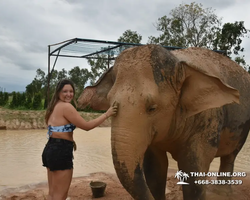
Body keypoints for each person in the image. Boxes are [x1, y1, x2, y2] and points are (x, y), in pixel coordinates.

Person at [42, 79, 118, 200]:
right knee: (60, 196)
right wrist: (107, 114)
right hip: (60, 152)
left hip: (50, 150)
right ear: (58, 93)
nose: (69, 94)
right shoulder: (66, 107)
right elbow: (86, 126)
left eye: (71, 91)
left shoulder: (54, 106)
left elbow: (59, 130)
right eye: (65, 91)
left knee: (52, 193)